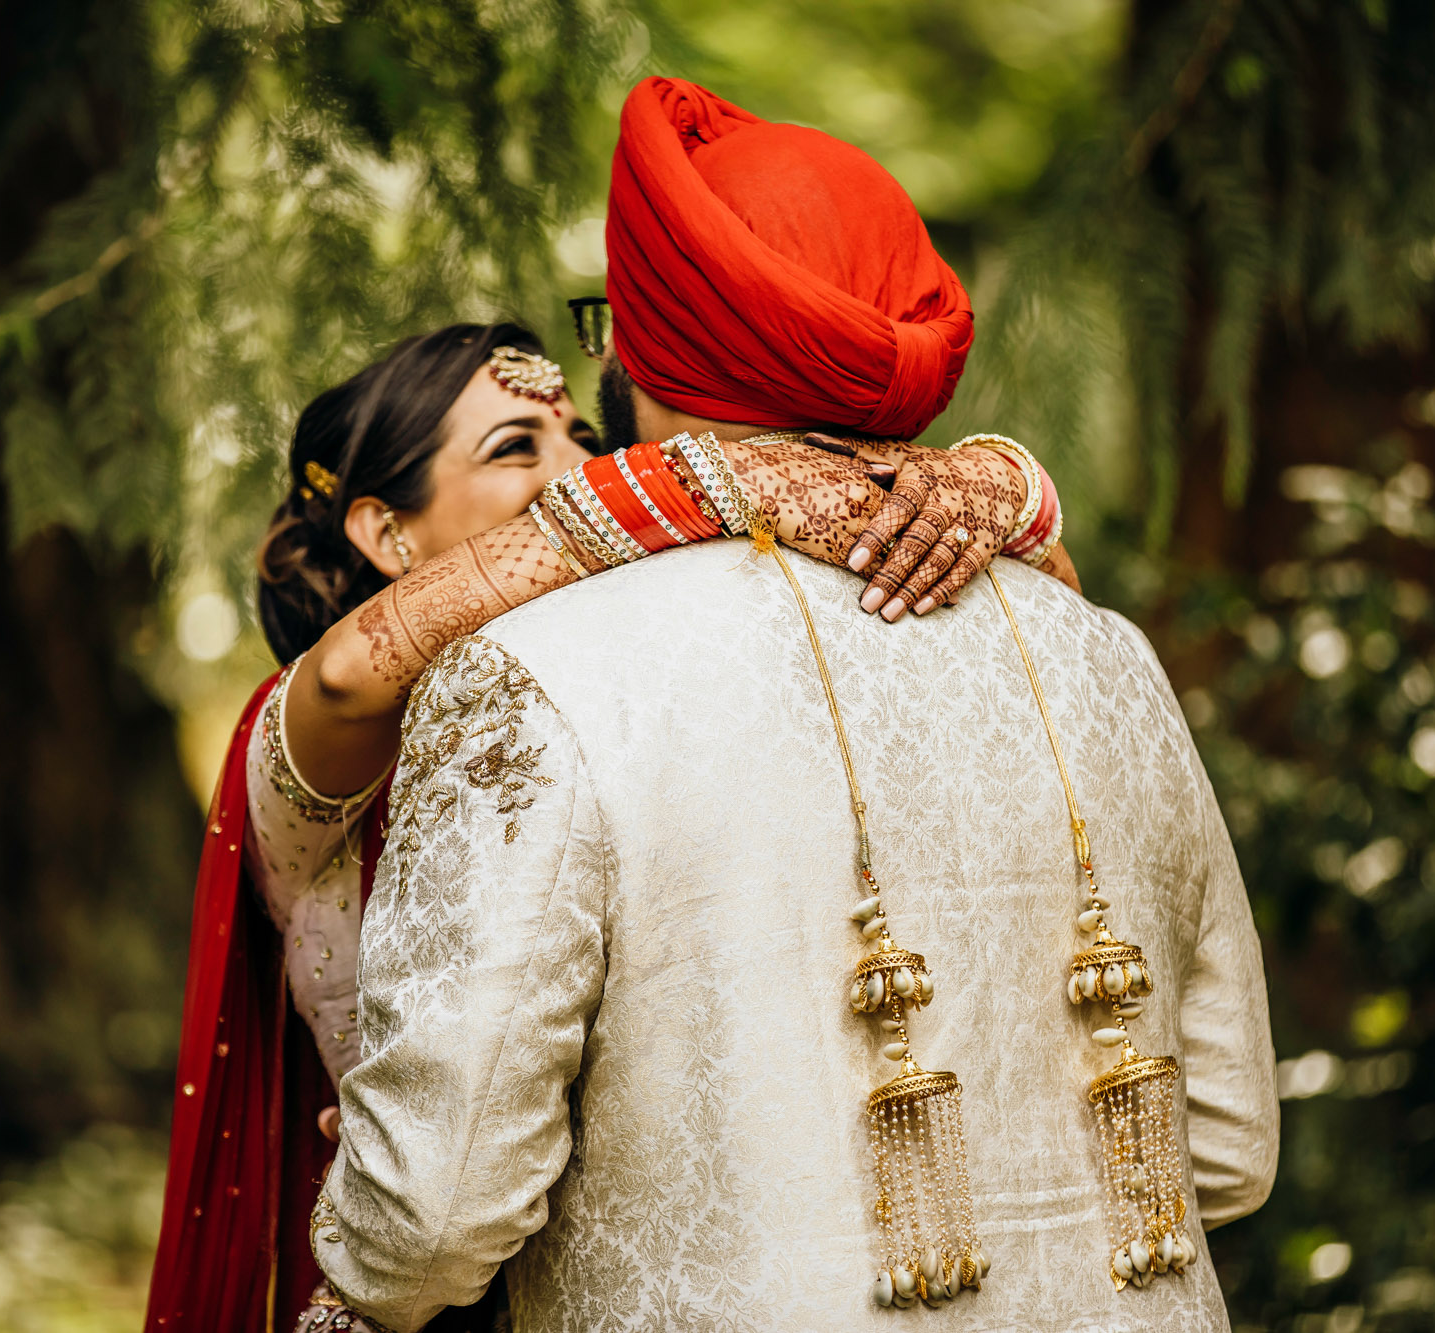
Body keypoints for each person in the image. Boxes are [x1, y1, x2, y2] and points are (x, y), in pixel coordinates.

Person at [309, 77, 1276, 1333]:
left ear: (656, 346)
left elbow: (430, 1220)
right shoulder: (1107, 656)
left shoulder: (532, 668)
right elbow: (1227, 1149)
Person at [143, 320, 1068, 1332]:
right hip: (414, 1274)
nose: (580, 471)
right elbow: (346, 672)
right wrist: (727, 484)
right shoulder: (312, 730)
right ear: (383, 532)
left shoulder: (614, 694)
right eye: (514, 448)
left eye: (583, 436)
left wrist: (999, 488)